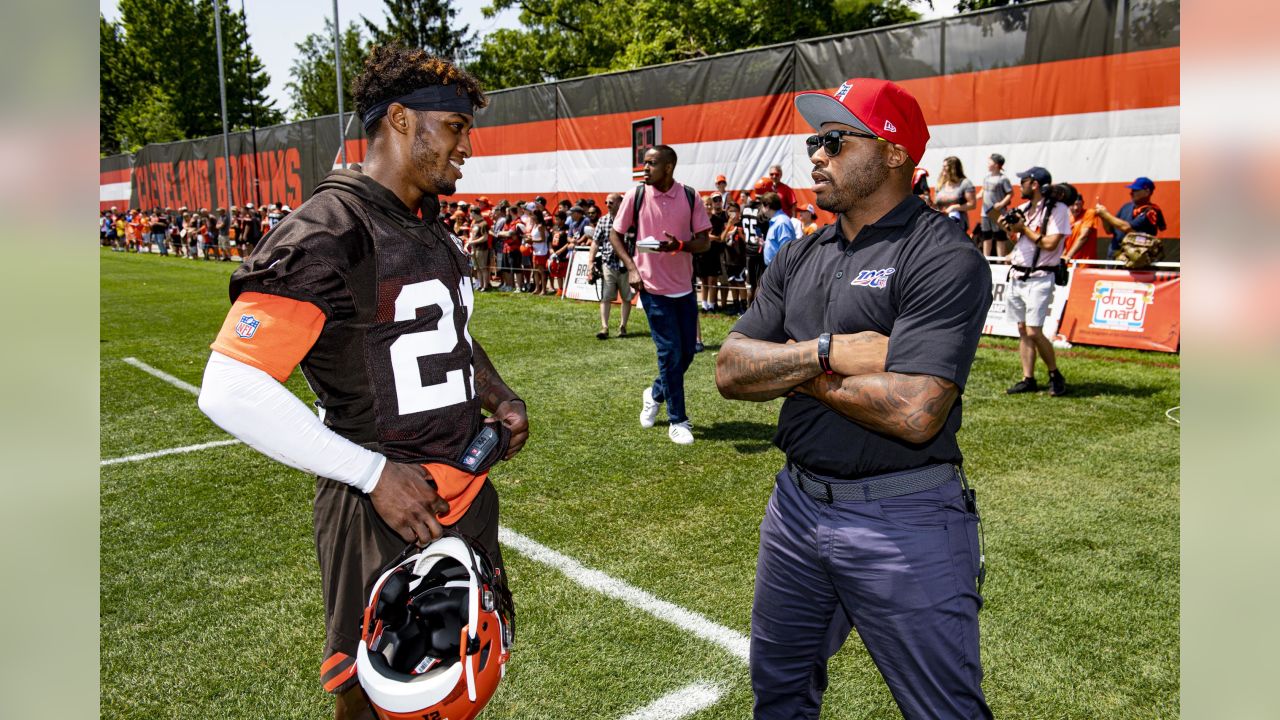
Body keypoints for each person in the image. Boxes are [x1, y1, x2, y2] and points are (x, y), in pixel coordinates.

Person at [196, 46, 528, 720]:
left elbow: (447, 333)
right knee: (383, 699)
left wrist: (497, 395)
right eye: (457, 128)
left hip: (457, 492)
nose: (468, 147)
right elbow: (229, 386)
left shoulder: (424, 223)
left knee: (460, 688)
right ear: (402, 121)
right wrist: (374, 474)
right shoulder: (330, 230)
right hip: (381, 508)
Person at [716, 77, 992, 720]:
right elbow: (731, 371)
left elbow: (916, 411)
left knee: (943, 710)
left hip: (906, 518)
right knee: (779, 693)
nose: (817, 154)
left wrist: (789, 367)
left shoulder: (942, 255)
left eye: (835, 141)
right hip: (796, 507)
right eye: (816, 140)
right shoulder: (804, 252)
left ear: (894, 153)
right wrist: (826, 353)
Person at [609, 145, 712, 445]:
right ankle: (677, 420)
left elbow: (704, 242)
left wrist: (679, 246)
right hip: (652, 288)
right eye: (645, 163)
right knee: (669, 352)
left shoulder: (690, 196)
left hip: (683, 288)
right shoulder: (636, 195)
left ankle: (654, 393)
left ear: (668, 167)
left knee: (688, 353)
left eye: (652, 163)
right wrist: (631, 268)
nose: (645, 168)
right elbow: (616, 234)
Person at [1001, 166, 1069, 396]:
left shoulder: (1058, 209)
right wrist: (1009, 228)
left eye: (1025, 181)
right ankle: (1027, 377)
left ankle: (1054, 373)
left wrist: (1023, 228)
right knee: (1022, 329)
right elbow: (1018, 239)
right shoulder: (1023, 209)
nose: (1021, 185)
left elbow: (1050, 243)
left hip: (1040, 276)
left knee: (1033, 331)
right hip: (1018, 274)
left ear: (1035, 184)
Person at [587, 193, 632, 339]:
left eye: (611, 202)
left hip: (626, 265)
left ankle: (623, 326)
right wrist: (590, 262)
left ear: (620, 203)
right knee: (606, 297)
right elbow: (595, 242)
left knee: (626, 297)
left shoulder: (630, 220)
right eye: (606, 202)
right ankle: (604, 327)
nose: (607, 205)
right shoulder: (603, 221)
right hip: (608, 264)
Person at [1094, 176, 1167, 257]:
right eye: (1132, 190)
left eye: (1135, 190)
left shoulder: (1150, 211)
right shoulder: (1126, 207)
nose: (1131, 193)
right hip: (1115, 256)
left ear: (1147, 191)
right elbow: (1109, 230)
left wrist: (1106, 214)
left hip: (1137, 260)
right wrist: (1103, 217)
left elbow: (1127, 228)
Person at [976, 153, 1013, 257]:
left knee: (999, 236)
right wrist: (977, 196)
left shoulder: (1003, 179)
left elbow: (1010, 193)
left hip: (998, 213)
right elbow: (983, 190)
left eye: (990, 162)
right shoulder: (986, 177)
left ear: (996, 164)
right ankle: (986, 258)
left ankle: (1000, 259)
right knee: (986, 235)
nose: (987, 164)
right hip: (985, 212)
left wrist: (1001, 204)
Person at [696, 194, 726, 312]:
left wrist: (708, 237)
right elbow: (697, 235)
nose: (708, 206)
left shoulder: (717, 220)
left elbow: (719, 238)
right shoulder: (698, 219)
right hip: (702, 253)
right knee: (704, 281)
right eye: (706, 204)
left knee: (713, 280)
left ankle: (712, 305)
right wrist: (709, 237)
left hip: (714, 253)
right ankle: (704, 305)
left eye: (710, 204)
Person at [933, 156, 976, 233]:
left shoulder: (965, 183)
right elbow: (935, 204)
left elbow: (972, 204)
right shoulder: (940, 183)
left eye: (945, 166)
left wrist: (954, 207)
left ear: (953, 168)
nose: (942, 169)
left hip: (958, 223)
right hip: (940, 223)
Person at [759, 191, 796, 266]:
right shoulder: (777, 221)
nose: (761, 209)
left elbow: (785, 250)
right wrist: (765, 244)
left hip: (779, 270)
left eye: (762, 206)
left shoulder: (781, 223)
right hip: (774, 268)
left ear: (767, 206)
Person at [1063, 185, 1100, 261]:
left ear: (1083, 203)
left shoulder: (1089, 213)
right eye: (1073, 205)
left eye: (1078, 204)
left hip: (1084, 264)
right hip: (1068, 263)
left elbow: (1084, 236)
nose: (1076, 208)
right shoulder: (1066, 218)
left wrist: (1068, 256)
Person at [467, 205, 491, 291]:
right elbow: (472, 235)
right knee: (477, 268)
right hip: (474, 248)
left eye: (471, 213)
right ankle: (480, 285)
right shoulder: (474, 223)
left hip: (482, 249)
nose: (470, 215)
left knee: (483, 267)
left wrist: (473, 242)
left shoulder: (483, 224)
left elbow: (485, 237)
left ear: (474, 213)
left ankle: (485, 286)